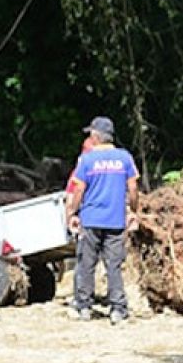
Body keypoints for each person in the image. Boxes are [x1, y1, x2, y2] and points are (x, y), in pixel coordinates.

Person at [65, 116, 139, 324]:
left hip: (91, 219)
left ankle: (84, 307)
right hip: (115, 220)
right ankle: (118, 309)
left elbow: (79, 189)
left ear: (96, 136)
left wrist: (72, 212)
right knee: (114, 265)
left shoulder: (87, 160)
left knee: (86, 264)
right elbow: (133, 188)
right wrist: (133, 211)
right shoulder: (124, 158)